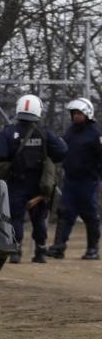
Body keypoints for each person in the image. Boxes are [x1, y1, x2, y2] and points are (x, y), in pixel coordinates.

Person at [0, 94, 67, 263]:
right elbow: (62, 151)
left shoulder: (9, 132)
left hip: (16, 182)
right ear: (38, 111)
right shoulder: (44, 133)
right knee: (39, 218)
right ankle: (40, 251)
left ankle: (16, 251)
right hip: (39, 185)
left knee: (15, 217)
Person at [47, 98, 102, 260]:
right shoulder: (70, 132)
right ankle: (58, 246)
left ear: (87, 114)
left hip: (88, 181)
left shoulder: (96, 134)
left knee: (90, 214)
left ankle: (92, 249)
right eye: (74, 114)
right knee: (65, 212)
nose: (76, 117)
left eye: (79, 113)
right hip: (70, 180)